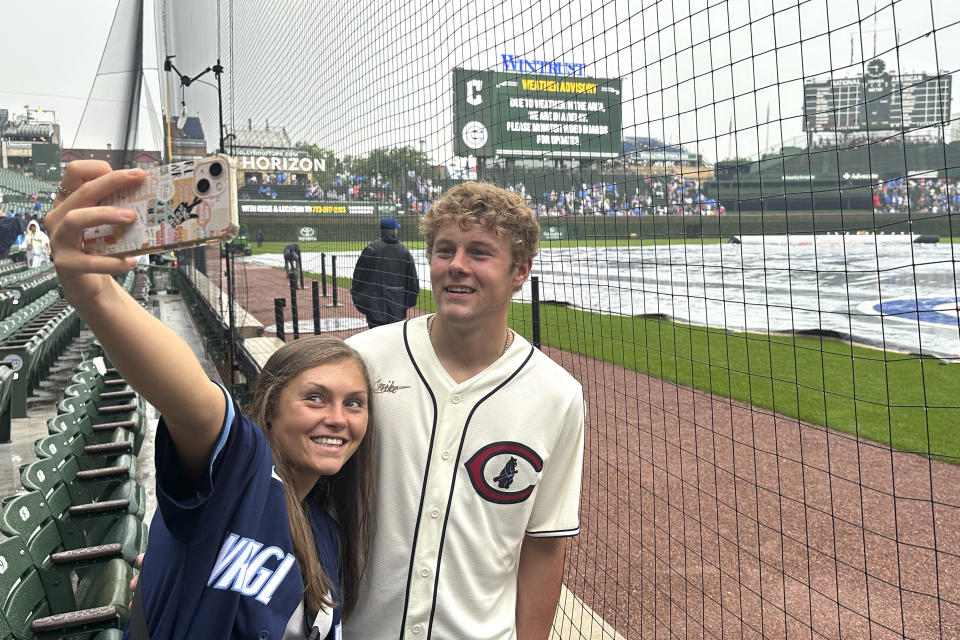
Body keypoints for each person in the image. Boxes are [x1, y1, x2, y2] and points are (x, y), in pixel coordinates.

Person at [46, 160, 376, 639]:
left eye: (354, 403)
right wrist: (95, 293)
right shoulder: (240, 472)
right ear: (269, 402)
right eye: (315, 398)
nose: (337, 419)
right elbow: (193, 400)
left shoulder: (326, 529)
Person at [345, 182, 584, 640]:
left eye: (479, 252)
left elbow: (545, 545)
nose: (456, 265)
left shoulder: (558, 395)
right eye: (444, 250)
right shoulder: (362, 360)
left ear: (520, 270)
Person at [350, 216, 419, 328]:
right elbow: (413, 283)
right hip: (397, 308)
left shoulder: (371, 248)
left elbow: (358, 278)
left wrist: (361, 302)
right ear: (393, 230)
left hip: (374, 309)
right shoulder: (404, 250)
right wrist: (405, 306)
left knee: (375, 341)